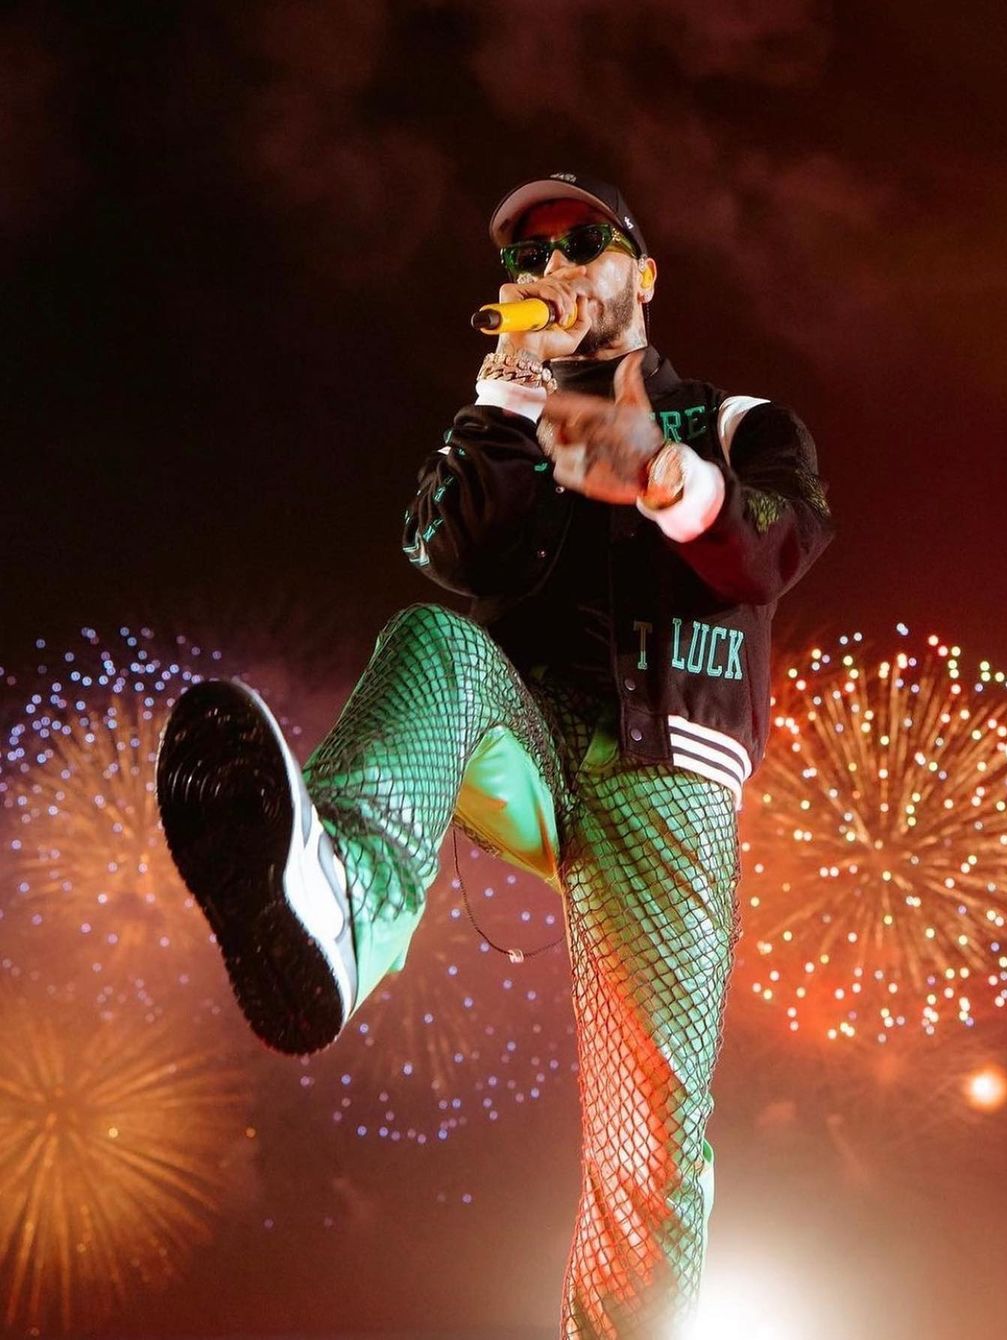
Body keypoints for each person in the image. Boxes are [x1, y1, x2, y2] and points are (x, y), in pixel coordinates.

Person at [156, 171, 834, 1339]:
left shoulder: (736, 420)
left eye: (582, 242)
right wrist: (508, 401)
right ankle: (342, 905)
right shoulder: (516, 418)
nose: (552, 267)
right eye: (527, 257)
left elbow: (774, 548)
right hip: (526, 738)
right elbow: (446, 551)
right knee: (432, 643)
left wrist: (661, 474)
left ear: (644, 272)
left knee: (651, 1129)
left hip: (670, 769)